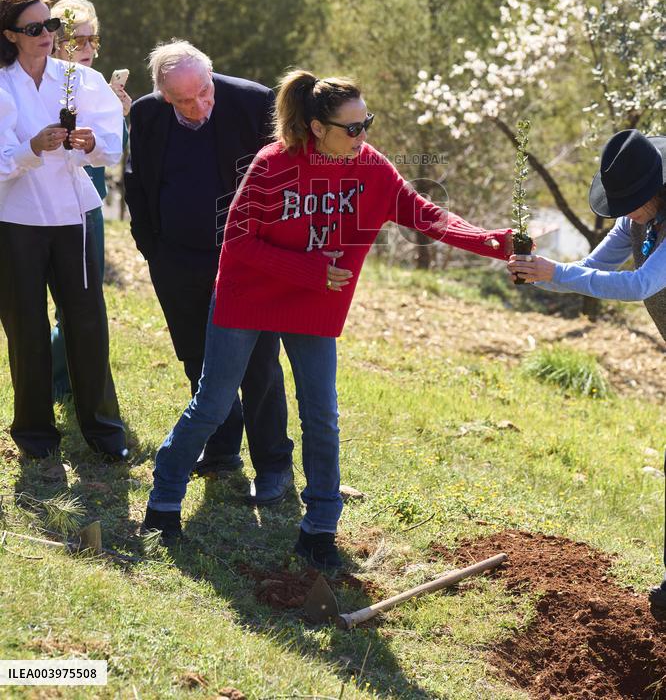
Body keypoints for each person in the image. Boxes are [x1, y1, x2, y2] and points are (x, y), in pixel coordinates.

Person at [143, 69, 512, 568]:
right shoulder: (273, 164)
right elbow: (238, 241)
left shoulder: (371, 168)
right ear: (318, 127)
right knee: (212, 402)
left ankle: (319, 526)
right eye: (352, 128)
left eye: (368, 124)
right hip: (248, 293)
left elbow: (427, 215)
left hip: (312, 305)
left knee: (322, 415)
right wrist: (312, 268)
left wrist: (494, 242)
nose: (364, 137)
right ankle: (164, 497)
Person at [124, 41, 293, 502]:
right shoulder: (145, 115)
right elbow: (137, 183)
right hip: (177, 258)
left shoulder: (255, 102)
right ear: (163, 96)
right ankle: (220, 448)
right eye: (184, 100)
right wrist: (152, 248)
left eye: (204, 92)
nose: (199, 106)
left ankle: (274, 463)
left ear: (212, 76)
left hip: (246, 258)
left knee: (258, 364)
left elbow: (284, 181)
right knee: (197, 358)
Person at [508, 129, 666, 615]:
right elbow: (591, 270)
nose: (627, 213)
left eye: (635, 202)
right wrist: (537, 272)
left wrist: (557, 273)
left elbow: (640, 282)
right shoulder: (635, 220)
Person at [0, 0, 127, 462]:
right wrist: (32, 148)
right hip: (15, 219)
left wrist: (90, 144)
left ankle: (103, 429)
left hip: (75, 215)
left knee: (87, 321)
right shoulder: (2, 85)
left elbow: (113, 147)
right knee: (25, 326)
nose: (46, 35)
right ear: (11, 35)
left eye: (50, 25)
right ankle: (34, 434)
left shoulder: (80, 80)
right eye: (34, 28)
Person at [50, 0, 132, 401]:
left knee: (83, 299)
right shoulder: (46, 83)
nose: (87, 49)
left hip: (88, 204)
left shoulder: (98, 86)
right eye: (76, 40)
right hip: (42, 205)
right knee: (63, 304)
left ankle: (67, 384)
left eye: (92, 40)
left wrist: (120, 115)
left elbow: (114, 153)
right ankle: (56, 382)